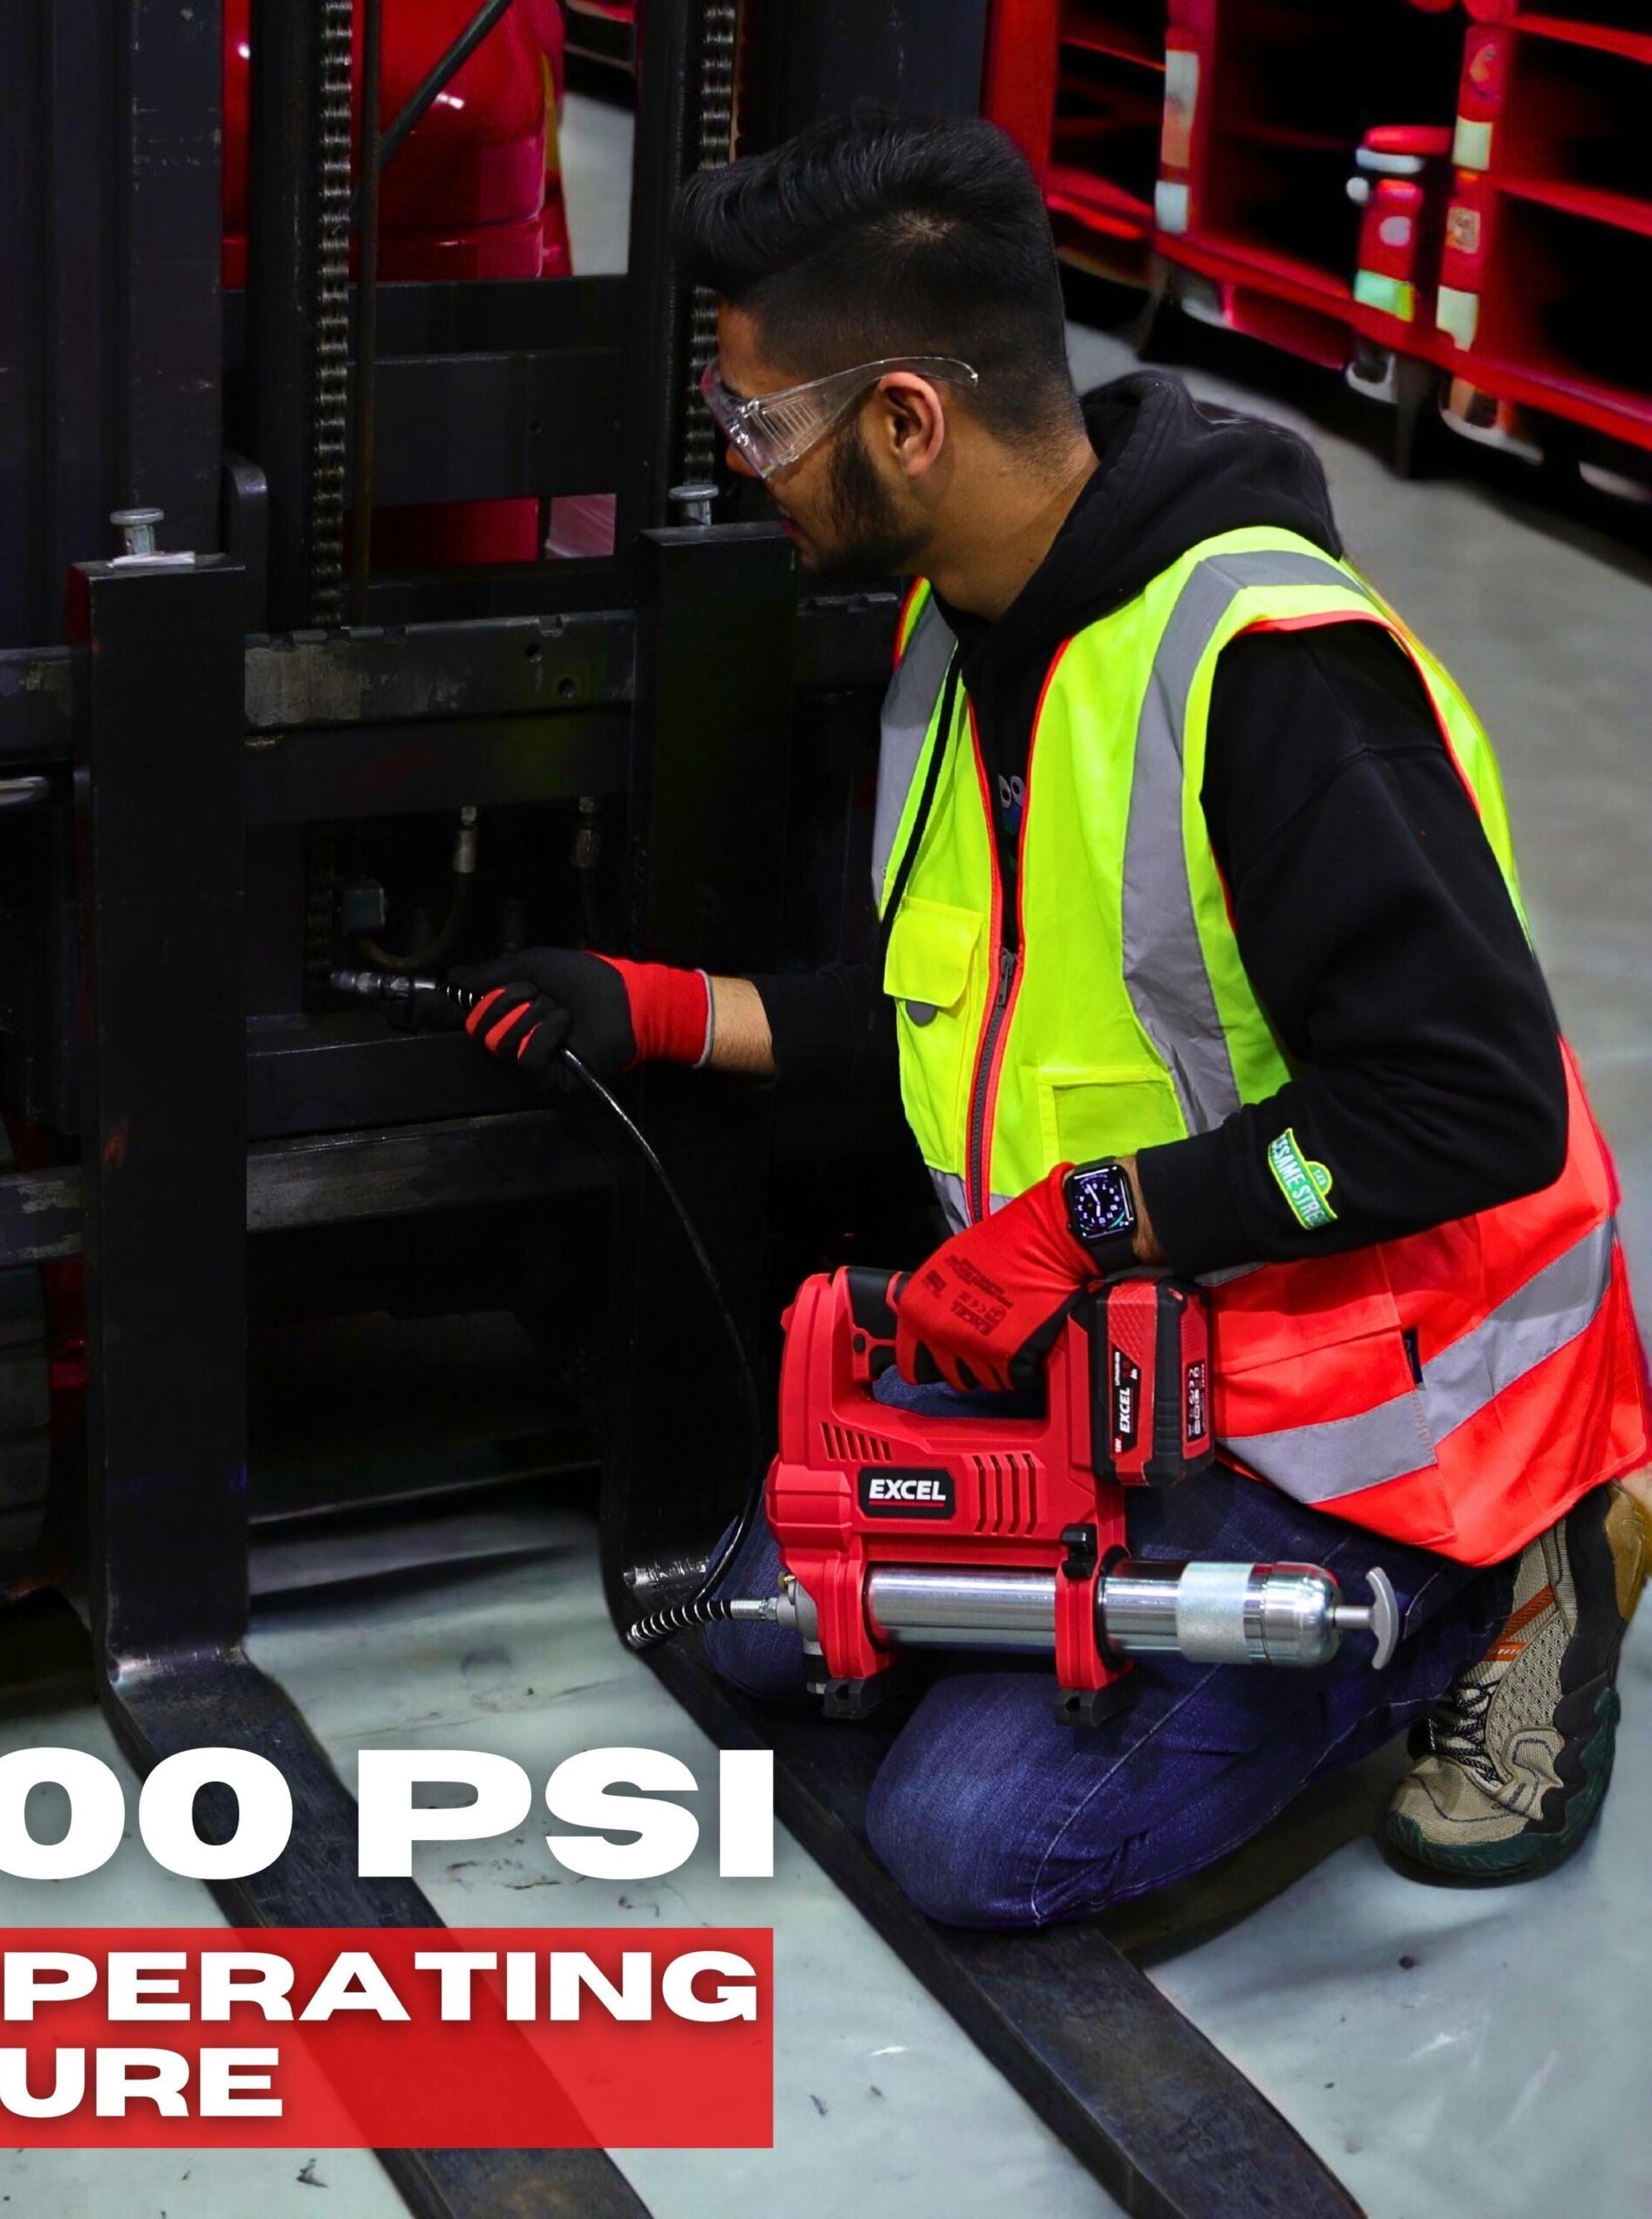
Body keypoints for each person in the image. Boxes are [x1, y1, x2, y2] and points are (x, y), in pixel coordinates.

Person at [449, 107, 1651, 1926]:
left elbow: (1467, 1107)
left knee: (975, 1835)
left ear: (905, 422)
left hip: (1364, 1422)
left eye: (759, 424)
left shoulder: (1271, 675)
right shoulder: (958, 641)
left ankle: (1503, 1587)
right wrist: (670, 1013)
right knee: (767, 1625)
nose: (744, 466)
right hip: (1122, 1354)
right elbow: (969, 1016)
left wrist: (1089, 1221)